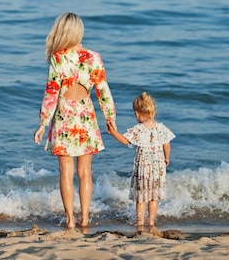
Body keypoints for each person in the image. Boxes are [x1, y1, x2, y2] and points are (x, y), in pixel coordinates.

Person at [33, 12, 116, 228]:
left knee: (66, 172)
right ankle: (85, 218)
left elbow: (51, 92)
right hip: (86, 115)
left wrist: (43, 123)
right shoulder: (94, 57)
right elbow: (103, 90)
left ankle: (70, 219)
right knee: (85, 172)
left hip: (63, 116)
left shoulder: (58, 58)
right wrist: (110, 117)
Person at [107, 92, 175, 229]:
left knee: (141, 198)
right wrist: (166, 158)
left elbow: (125, 141)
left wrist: (114, 133)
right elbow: (167, 145)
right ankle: (151, 220)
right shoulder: (161, 128)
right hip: (157, 169)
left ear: (137, 113)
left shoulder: (138, 130)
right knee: (153, 197)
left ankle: (139, 221)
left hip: (143, 170)